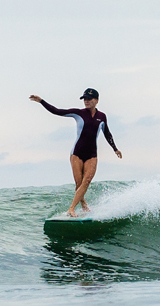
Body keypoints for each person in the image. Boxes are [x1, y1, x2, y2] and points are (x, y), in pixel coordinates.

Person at [29, 88, 122, 217]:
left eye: (89, 99)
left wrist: (115, 149)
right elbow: (57, 111)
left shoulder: (102, 117)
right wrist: (41, 101)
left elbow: (107, 133)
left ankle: (71, 208)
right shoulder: (78, 113)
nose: (86, 101)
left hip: (92, 155)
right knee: (79, 183)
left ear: (96, 100)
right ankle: (83, 204)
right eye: (84, 99)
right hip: (77, 154)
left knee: (87, 181)